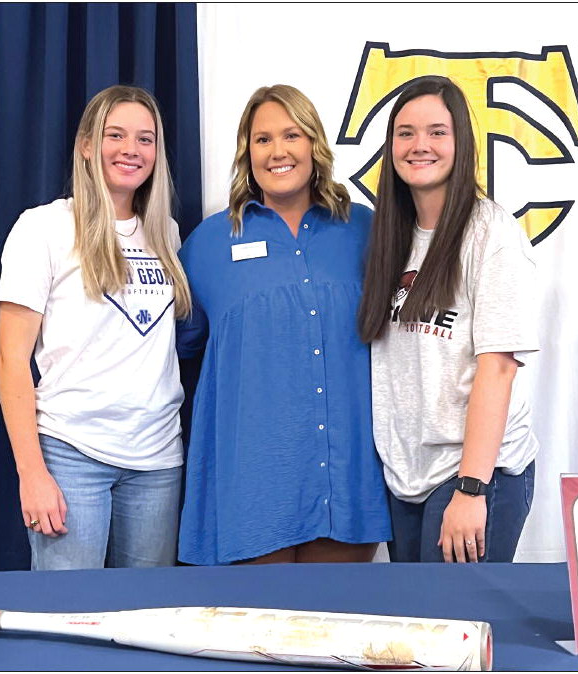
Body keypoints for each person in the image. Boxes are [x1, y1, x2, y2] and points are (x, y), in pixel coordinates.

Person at [177, 84, 392, 565]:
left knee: (337, 633)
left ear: (313, 145)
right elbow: (172, 351)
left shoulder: (367, 230)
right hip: (251, 490)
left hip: (345, 483)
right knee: (258, 637)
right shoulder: (210, 243)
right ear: (245, 153)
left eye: (291, 135)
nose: (277, 151)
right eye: (262, 139)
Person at [0, 85, 191, 570]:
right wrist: (31, 473)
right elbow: (9, 359)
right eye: (115, 135)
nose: (131, 150)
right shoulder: (42, 228)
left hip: (157, 460)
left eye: (145, 139)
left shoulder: (165, 231)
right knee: (69, 617)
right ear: (86, 144)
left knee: (145, 621)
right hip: (71, 453)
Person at [358, 75, 539, 563]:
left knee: (454, 627)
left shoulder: (490, 232)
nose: (420, 145)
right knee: (415, 629)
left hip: (472, 475)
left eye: (437, 131)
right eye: (405, 132)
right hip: (405, 476)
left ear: (461, 142)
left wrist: (472, 489)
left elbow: (498, 367)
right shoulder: (390, 235)